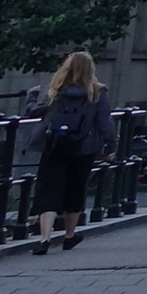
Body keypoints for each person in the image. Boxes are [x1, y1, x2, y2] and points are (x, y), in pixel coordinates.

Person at [30, 50, 117, 253]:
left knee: (48, 191)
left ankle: (44, 239)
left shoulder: (56, 91)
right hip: (84, 148)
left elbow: (34, 111)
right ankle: (69, 236)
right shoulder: (97, 93)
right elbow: (105, 123)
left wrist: (31, 96)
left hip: (55, 146)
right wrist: (111, 146)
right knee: (75, 190)